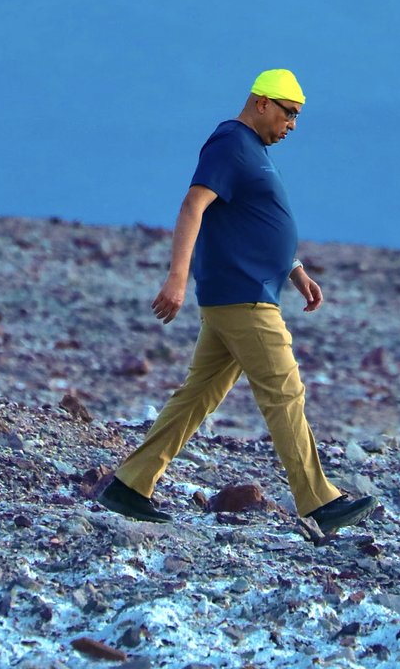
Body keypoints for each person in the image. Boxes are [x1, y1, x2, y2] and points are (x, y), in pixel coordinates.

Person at [98, 69, 380, 540]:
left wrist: (295, 270)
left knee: (198, 395)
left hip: (247, 293)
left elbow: (255, 222)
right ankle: (319, 501)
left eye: (297, 117)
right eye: (289, 113)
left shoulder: (255, 153)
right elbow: (193, 206)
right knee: (284, 392)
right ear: (263, 102)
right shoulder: (231, 142)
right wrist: (176, 278)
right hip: (243, 298)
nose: (292, 125)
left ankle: (130, 485)